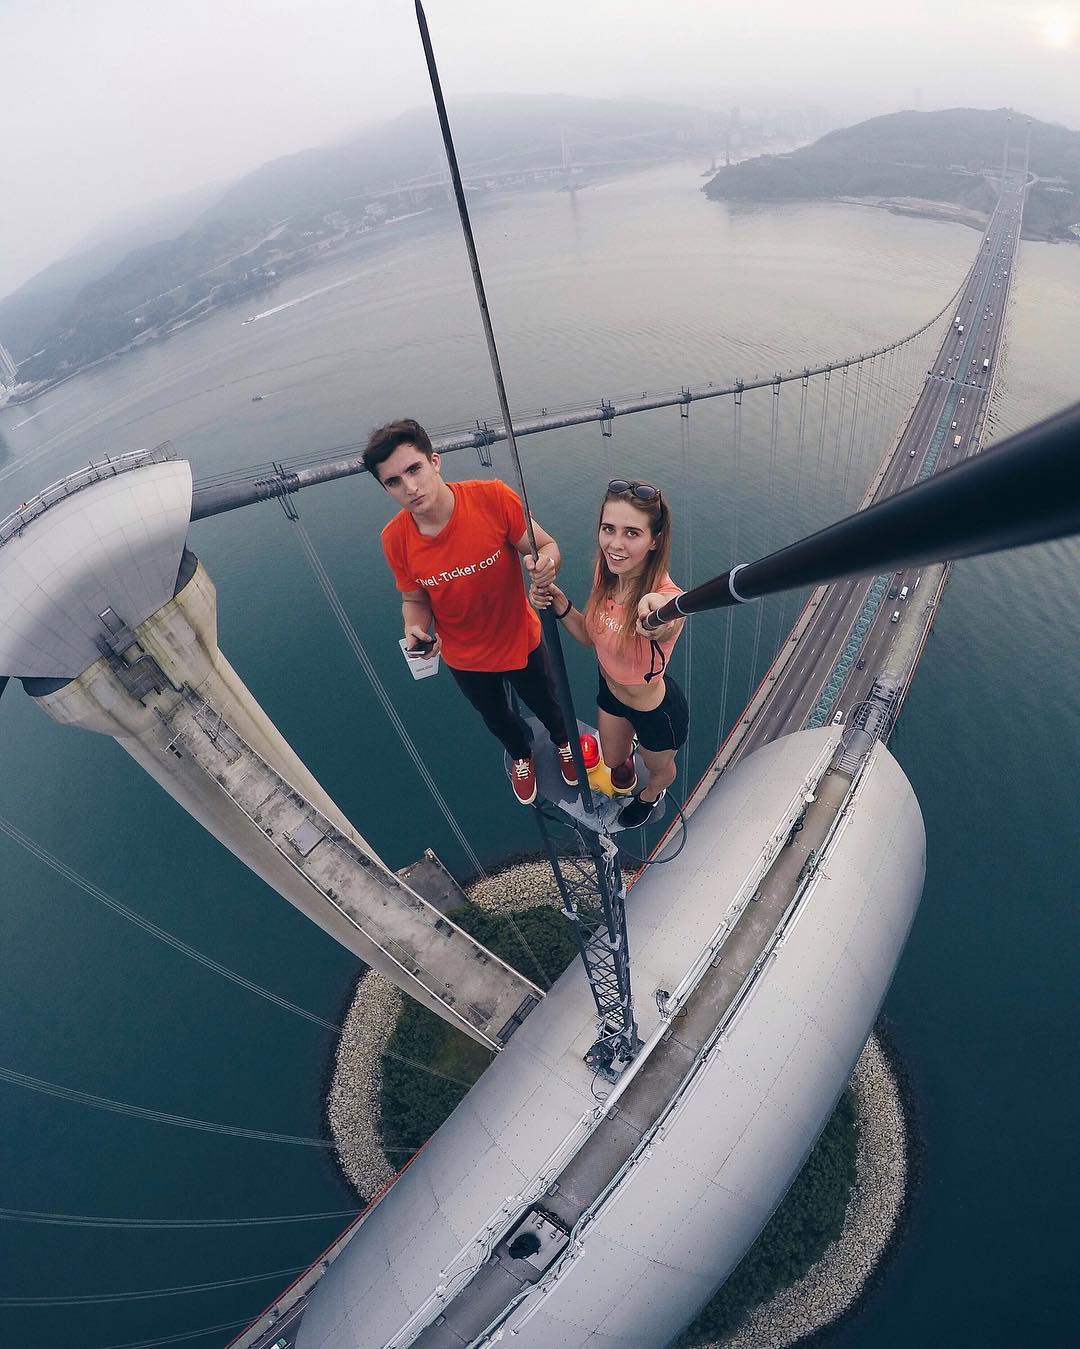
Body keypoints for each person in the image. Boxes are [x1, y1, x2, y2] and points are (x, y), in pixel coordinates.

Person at [362, 418, 577, 806]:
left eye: (414, 469)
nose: (409, 487)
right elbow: (415, 600)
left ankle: (564, 742)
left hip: (519, 640)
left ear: (435, 462)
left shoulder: (492, 498)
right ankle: (522, 754)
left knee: (548, 703)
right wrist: (415, 629)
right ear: (384, 488)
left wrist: (545, 565)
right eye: (393, 481)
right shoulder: (394, 539)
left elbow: (546, 547)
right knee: (497, 718)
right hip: (465, 657)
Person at [529, 478, 687, 828]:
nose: (615, 544)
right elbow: (591, 638)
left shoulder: (666, 599)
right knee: (613, 759)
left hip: (655, 712)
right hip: (611, 694)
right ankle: (627, 757)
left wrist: (657, 617)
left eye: (632, 533)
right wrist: (559, 603)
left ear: (655, 540)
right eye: (608, 529)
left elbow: (666, 616)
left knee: (659, 770)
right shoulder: (607, 572)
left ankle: (650, 795)